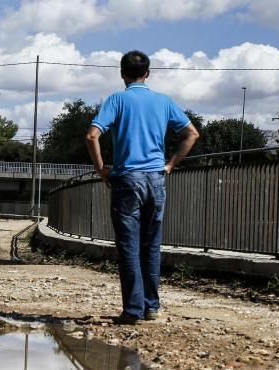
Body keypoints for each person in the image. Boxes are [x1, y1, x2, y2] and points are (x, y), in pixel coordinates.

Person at [85, 50, 200, 325]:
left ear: (122, 74)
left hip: (127, 180)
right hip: (156, 179)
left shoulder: (117, 100)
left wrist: (102, 169)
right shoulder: (163, 102)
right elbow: (191, 134)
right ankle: (151, 306)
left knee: (129, 245)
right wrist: (170, 164)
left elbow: (92, 135)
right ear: (147, 73)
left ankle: (133, 310)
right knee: (151, 245)